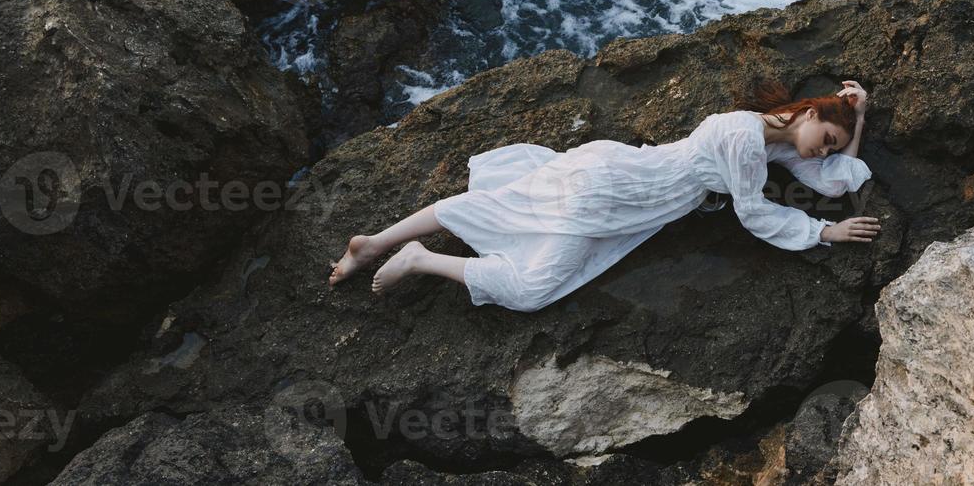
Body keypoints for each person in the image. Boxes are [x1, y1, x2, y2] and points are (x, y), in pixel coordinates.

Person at [327, 79, 881, 311]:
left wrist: (855, 122)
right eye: (824, 137)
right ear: (807, 113)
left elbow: (833, 178)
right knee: (530, 291)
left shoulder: (767, 138)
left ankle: (374, 242)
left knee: (502, 206)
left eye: (829, 144)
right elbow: (754, 210)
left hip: (615, 172)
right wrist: (822, 232)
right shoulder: (744, 139)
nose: (822, 151)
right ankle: (419, 258)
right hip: (614, 198)